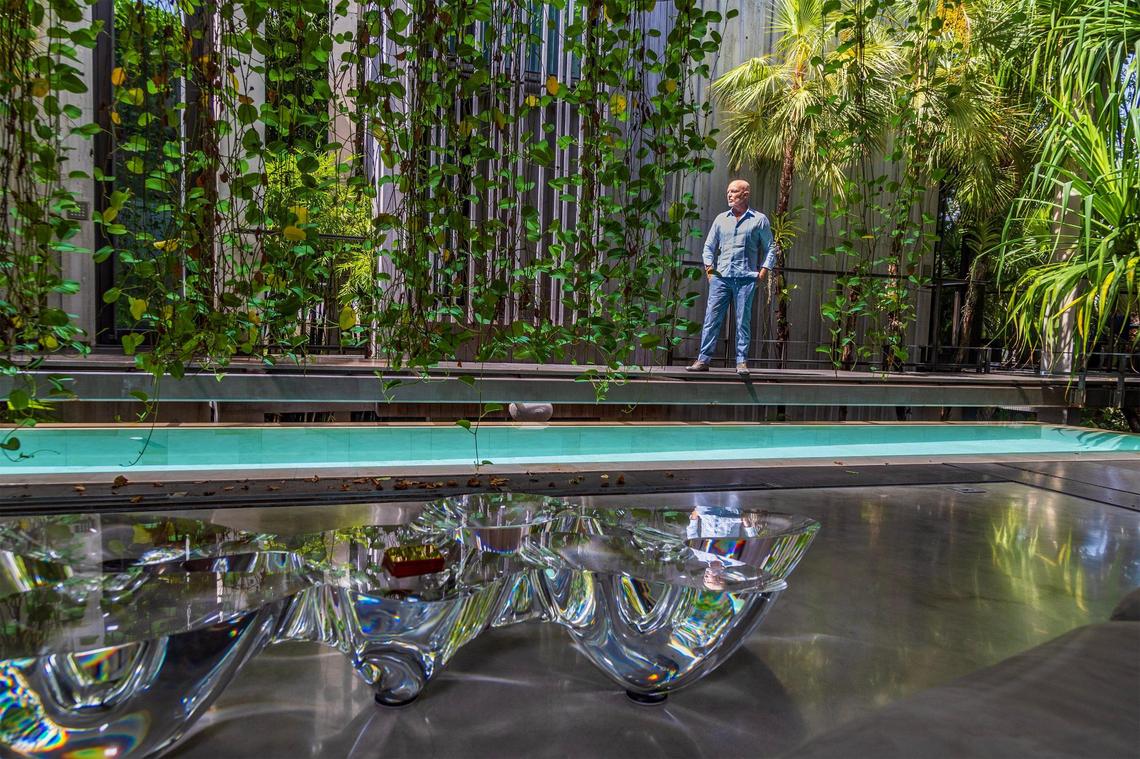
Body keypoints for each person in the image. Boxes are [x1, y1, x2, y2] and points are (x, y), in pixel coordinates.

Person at [686, 179, 777, 377]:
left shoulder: (759, 220)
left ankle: (741, 361)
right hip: (721, 278)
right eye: (728, 191)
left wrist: (762, 272)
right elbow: (708, 247)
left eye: (734, 192)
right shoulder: (721, 219)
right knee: (711, 319)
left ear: (745, 194)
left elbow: (770, 248)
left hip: (745, 278)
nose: (729, 195)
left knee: (742, 321)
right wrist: (710, 271)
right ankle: (703, 359)